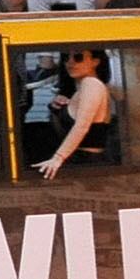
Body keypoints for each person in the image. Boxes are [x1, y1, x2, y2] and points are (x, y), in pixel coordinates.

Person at [30, 48, 114, 180]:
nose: (70, 62)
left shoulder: (91, 84)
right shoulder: (81, 89)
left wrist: (58, 158)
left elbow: (82, 126)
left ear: (95, 61)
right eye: (66, 58)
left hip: (87, 165)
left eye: (78, 57)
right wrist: (60, 109)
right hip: (82, 163)